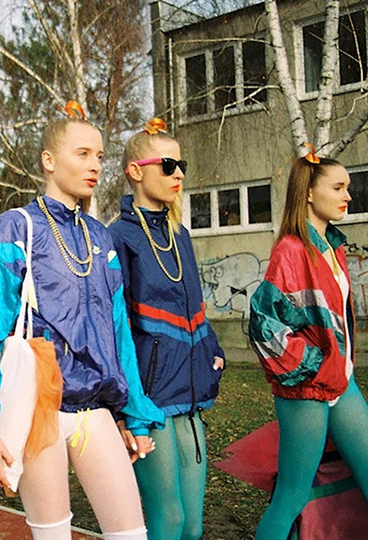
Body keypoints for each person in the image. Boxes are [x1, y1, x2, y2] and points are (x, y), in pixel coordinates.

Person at [0, 102, 165, 540]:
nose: (95, 165)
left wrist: (134, 415)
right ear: (49, 160)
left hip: (94, 410)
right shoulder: (16, 226)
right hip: (38, 408)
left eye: (99, 156)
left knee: (131, 534)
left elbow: (117, 334)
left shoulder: (100, 236)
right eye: (82, 154)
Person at [248, 145, 368, 539]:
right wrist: (315, 367)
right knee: (291, 499)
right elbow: (264, 328)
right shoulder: (291, 251)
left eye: (347, 188)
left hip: (342, 384)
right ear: (309, 192)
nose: (348, 196)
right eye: (338, 188)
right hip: (307, 391)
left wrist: (336, 370)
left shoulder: (333, 247)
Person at [108, 118, 225, 540]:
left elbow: (195, 309)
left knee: (192, 527)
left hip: (190, 393)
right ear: (135, 171)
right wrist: (127, 410)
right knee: (169, 518)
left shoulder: (181, 235)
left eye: (182, 166)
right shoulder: (117, 237)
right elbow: (113, 330)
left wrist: (213, 351)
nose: (178, 174)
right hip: (149, 398)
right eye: (168, 165)